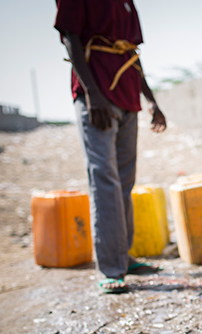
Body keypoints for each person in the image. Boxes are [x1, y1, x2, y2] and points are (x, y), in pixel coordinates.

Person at [55, 0, 167, 294]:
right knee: (105, 179)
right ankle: (111, 268)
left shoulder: (127, 3)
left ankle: (124, 257)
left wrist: (151, 100)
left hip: (128, 96)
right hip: (98, 98)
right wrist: (92, 93)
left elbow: (131, 52)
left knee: (124, 181)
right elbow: (70, 35)